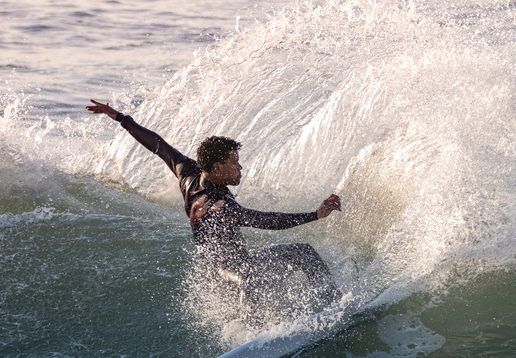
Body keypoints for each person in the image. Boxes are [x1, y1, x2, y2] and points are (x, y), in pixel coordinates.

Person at [86, 99, 343, 310]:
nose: (240, 167)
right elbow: (267, 221)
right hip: (230, 272)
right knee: (255, 274)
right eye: (235, 162)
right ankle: (256, 335)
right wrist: (315, 215)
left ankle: (329, 305)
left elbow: (157, 145)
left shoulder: (188, 172)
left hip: (215, 272)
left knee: (300, 254)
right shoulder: (217, 204)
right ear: (218, 167)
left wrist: (120, 117)